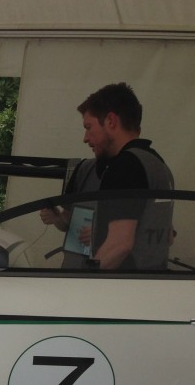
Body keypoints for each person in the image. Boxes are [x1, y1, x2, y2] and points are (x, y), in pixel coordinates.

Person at [74, 82, 174, 270]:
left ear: (111, 121)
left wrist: (82, 280)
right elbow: (167, 236)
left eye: (89, 127)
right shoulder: (157, 164)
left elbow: (119, 245)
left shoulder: (125, 167)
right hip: (153, 282)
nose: (85, 138)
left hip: (122, 287)